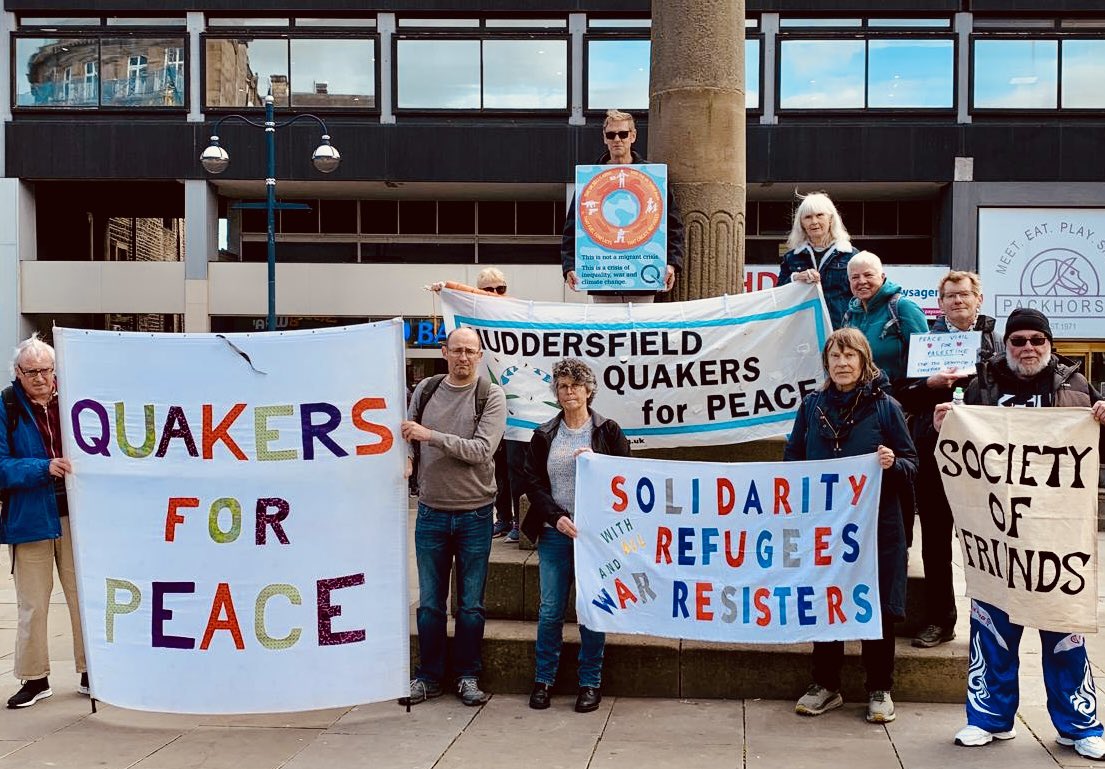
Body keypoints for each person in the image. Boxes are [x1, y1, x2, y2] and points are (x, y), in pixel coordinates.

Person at [934, 307, 1105, 760]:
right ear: (1006, 345)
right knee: (991, 628)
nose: (1027, 348)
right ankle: (988, 718)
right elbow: (959, 451)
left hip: (1055, 539)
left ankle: (1079, 724)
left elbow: (1091, 457)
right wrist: (944, 425)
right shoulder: (982, 386)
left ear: (1049, 344)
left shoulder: (1074, 387)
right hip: (997, 535)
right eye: (1018, 340)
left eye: (1036, 340)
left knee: (1064, 630)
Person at [786, 328, 917, 724]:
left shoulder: (886, 407)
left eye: (850, 356)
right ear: (826, 363)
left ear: (864, 361)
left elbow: (913, 463)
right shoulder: (811, 406)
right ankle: (825, 684)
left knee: (874, 605)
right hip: (826, 528)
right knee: (826, 601)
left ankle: (880, 688)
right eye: (835, 357)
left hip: (876, 527)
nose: (842, 364)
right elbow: (792, 461)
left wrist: (893, 463)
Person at [400, 327, 507, 707]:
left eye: (471, 352)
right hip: (431, 513)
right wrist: (409, 459)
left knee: (471, 604)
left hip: (475, 514)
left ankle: (467, 675)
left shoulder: (491, 396)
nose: (464, 357)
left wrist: (430, 437)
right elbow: (405, 440)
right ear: (444, 352)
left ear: (480, 356)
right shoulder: (426, 390)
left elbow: (480, 450)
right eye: (457, 350)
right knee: (430, 604)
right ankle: (427, 676)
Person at [895, 271, 998, 648]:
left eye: (963, 295)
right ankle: (942, 620)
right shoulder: (926, 343)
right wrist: (930, 385)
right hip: (934, 452)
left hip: (983, 457)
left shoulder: (998, 342)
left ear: (978, 299)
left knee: (987, 544)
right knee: (935, 541)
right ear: (941, 303)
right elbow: (903, 394)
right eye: (950, 296)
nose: (957, 302)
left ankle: (994, 625)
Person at [521, 358, 630, 713]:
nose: (568, 392)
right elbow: (533, 484)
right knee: (550, 609)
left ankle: (590, 682)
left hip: (595, 537)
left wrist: (598, 461)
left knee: (592, 609)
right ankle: (544, 680)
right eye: (562, 386)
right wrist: (555, 517)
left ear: (589, 390)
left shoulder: (608, 431)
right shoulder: (544, 434)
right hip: (556, 533)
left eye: (575, 386)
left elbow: (625, 478)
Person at [1, 334, 87, 709]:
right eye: (31, 371)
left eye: (46, 370)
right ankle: (35, 678)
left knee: (83, 597)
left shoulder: (74, 399)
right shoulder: (6, 406)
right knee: (33, 604)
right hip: (30, 518)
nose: (40, 377)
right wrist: (43, 468)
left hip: (78, 518)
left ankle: (91, 670)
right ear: (17, 373)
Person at [561, 109, 685, 303]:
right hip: (602, 283)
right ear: (604, 138)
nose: (617, 139)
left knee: (641, 333)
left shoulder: (655, 177)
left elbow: (674, 226)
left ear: (633, 136)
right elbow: (572, 228)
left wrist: (671, 264)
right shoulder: (588, 179)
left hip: (644, 282)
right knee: (605, 333)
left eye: (623, 134)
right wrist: (569, 267)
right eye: (611, 135)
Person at [475, 268, 525, 544]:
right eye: (488, 290)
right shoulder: (472, 320)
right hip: (488, 404)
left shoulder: (516, 314)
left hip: (517, 406)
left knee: (517, 466)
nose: (495, 295)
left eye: (500, 289)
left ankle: (518, 519)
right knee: (495, 467)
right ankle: (503, 517)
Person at [777, 192, 858, 329]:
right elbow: (779, 294)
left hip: (841, 331)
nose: (814, 222)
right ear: (801, 223)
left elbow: (861, 296)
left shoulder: (851, 255)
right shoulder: (792, 257)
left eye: (820, 215)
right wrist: (796, 277)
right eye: (808, 217)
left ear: (831, 219)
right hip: (802, 332)